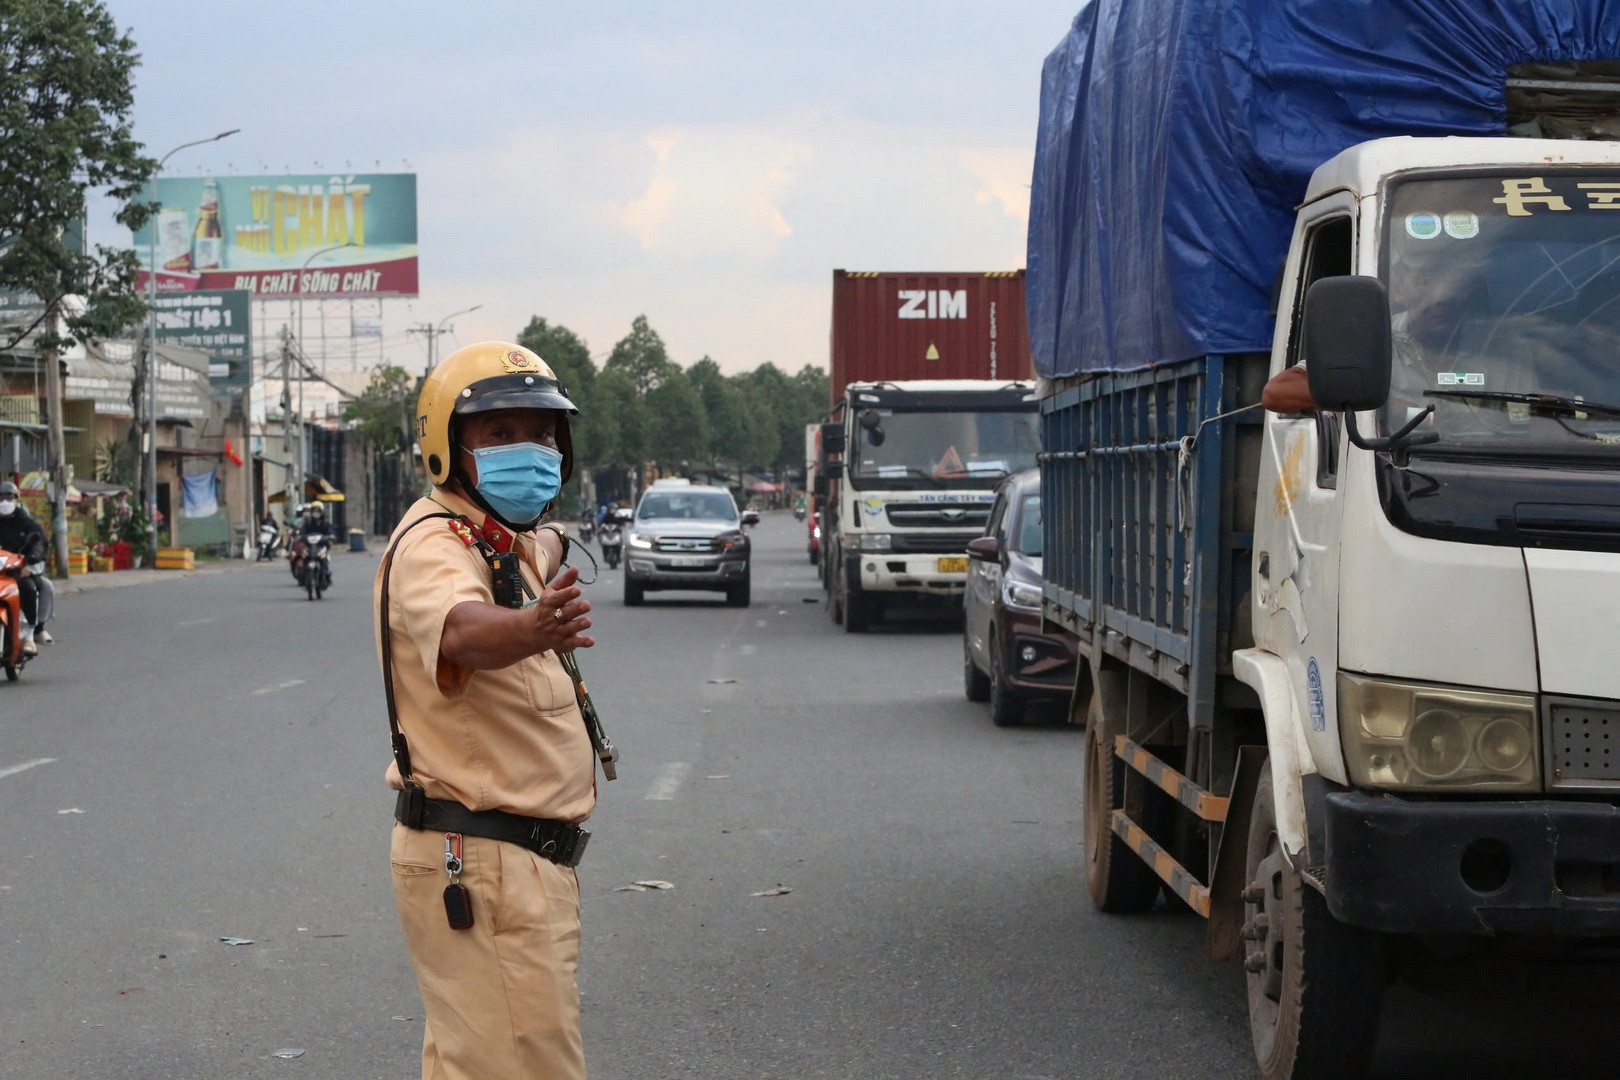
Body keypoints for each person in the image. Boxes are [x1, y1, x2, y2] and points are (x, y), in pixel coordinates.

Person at [375, 340, 598, 1080]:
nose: (526, 449)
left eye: (540, 434)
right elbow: (462, 627)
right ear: (448, 448)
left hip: (510, 866)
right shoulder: (434, 543)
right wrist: (535, 629)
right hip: (486, 867)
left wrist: (553, 544)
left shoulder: (501, 539)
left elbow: (541, 541)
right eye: (498, 434)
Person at [0, 481, 46, 656]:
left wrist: (30, 562)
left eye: (8, 497)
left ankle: (28, 636)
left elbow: (38, 542)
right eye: (1, 497)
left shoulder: (26, 523)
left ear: (17, 499)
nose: (4, 501)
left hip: (19, 571)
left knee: (28, 588)